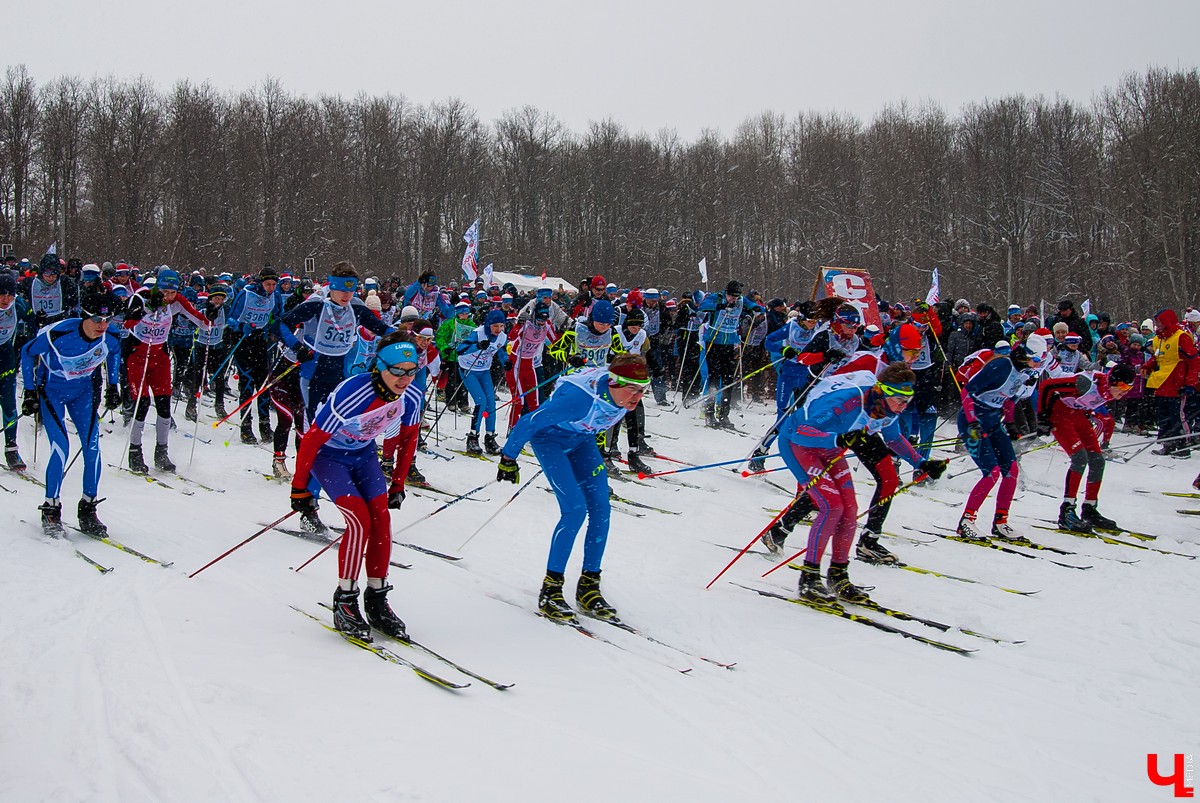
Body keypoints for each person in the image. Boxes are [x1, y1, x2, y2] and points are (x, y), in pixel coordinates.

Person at [289, 331, 423, 640]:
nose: (404, 379)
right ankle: (345, 600)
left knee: (381, 521)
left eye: (412, 371)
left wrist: (398, 483)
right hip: (329, 457)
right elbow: (312, 439)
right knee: (360, 522)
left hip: (363, 455)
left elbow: (408, 439)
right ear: (380, 366)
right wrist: (300, 488)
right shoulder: (354, 391)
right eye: (397, 371)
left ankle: (377, 599)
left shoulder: (411, 396)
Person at [497, 353, 650, 622]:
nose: (637, 396)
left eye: (642, 389)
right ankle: (551, 589)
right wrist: (508, 458)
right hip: (550, 441)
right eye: (632, 389)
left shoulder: (620, 392)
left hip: (582, 439)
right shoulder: (579, 401)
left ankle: (588, 586)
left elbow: (604, 367)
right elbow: (529, 421)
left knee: (601, 510)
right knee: (575, 511)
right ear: (613, 382)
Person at [20, 289, 123, 535]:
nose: (102, 326)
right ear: (85, 316)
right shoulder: (60, 333)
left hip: (82, 392)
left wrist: (113, 386)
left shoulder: (110, 336)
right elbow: (27, 352)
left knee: (92, 447)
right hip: (52, 391)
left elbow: (115, 353)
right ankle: (51, 508)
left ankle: (88, 508)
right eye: (97, 320)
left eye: (107, 320)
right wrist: (30, 391)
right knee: (61, 447)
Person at [954, 335, 1048, 543]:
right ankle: (966, 521)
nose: (1037, 365)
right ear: (1025, 355)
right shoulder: (1001, 365)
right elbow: (967, 392)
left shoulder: (1025, 373)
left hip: (993, 421)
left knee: (1011, 470)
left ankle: (1000, 521)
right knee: (991, 472)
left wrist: (1011, 424)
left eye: (1040, 362)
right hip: (972, 420)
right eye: (1036, 360)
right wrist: (972, 421)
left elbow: (1009, 401)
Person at [279, 261, 393, 423]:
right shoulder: (316, 304)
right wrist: (298, 348)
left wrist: (406, 338)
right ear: (333, 287)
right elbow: (281, 325)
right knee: (317, 427)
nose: (347, 295)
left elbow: (382, 329)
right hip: (314, 377)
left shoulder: (355, 306)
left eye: (351, 290)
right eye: (342, 290)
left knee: (340, 428)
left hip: (341, 377)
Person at [121, 268, 210, 473]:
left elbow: (202, 322)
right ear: (156, 288)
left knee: (164, 405)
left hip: (160, 358)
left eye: (172, 292)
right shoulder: (141, 297)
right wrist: (146, 309)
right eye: (164, 292)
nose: (168, 297)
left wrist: (211, 314)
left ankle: (161, 452)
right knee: (142, 404)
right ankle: (135, 452)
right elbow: (127, 323)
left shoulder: (177, 301)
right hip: (137, 357)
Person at [1037, 364, 1134, 532]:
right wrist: (1042, 416)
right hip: (1060, 414)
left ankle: (1089, 509)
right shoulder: (1087, 383)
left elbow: (1089, 402)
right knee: (1080, 458)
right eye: (1123, 387)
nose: (1125, 392)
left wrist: (1089, 413)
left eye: (1129, 388)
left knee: (1098, 460)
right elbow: (1047, 385)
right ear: (1113, 381)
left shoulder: (1110, 391)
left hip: (1077, 415)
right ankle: (1067, 510)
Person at [225, 266, 284, 444]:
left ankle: (265, 427)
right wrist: (240, 326)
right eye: (268, 284)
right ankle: (246, 428)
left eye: (274, 284)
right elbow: (230, 318)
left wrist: (277, 330)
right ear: (261, 282)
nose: (271, 288)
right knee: (247, 383)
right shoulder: (246, 294)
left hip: (260, 339)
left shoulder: (276, 296)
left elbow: (279, 316)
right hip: (242, 339)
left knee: (263, 384)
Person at [1143, 308, 1199, 458]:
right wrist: (1147, 366)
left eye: (1160, 322)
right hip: (1162, 384)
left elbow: (1194, 361)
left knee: (1178, 417)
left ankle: (1183, 446)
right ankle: (1168, 443)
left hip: (1177, 386)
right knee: (1164, 417)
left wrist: (1190, 383)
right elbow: (1157, 357)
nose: (1158, 325)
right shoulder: (1158, 339)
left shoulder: (1181, 337)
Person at [456, 308, 510, 455]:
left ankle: (490, 438)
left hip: (484, 371)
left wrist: (506, 361)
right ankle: (473, 437)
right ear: (488, 325)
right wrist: (477, 346)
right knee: (481, 402)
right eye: (495, 326)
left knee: (491, 403)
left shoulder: (502, 337)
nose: (498, 329)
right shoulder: (478, 333)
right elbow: (460, 350)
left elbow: (501, 350)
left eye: (501, 326)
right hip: (468, 369)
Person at [0, 270, 35, 468]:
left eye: (10, 295)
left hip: (5, 357)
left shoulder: (19, 305)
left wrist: (32, 345)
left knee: (9, 403)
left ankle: (11, 449)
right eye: (2, 295)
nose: (6, 300)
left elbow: (32, 323)